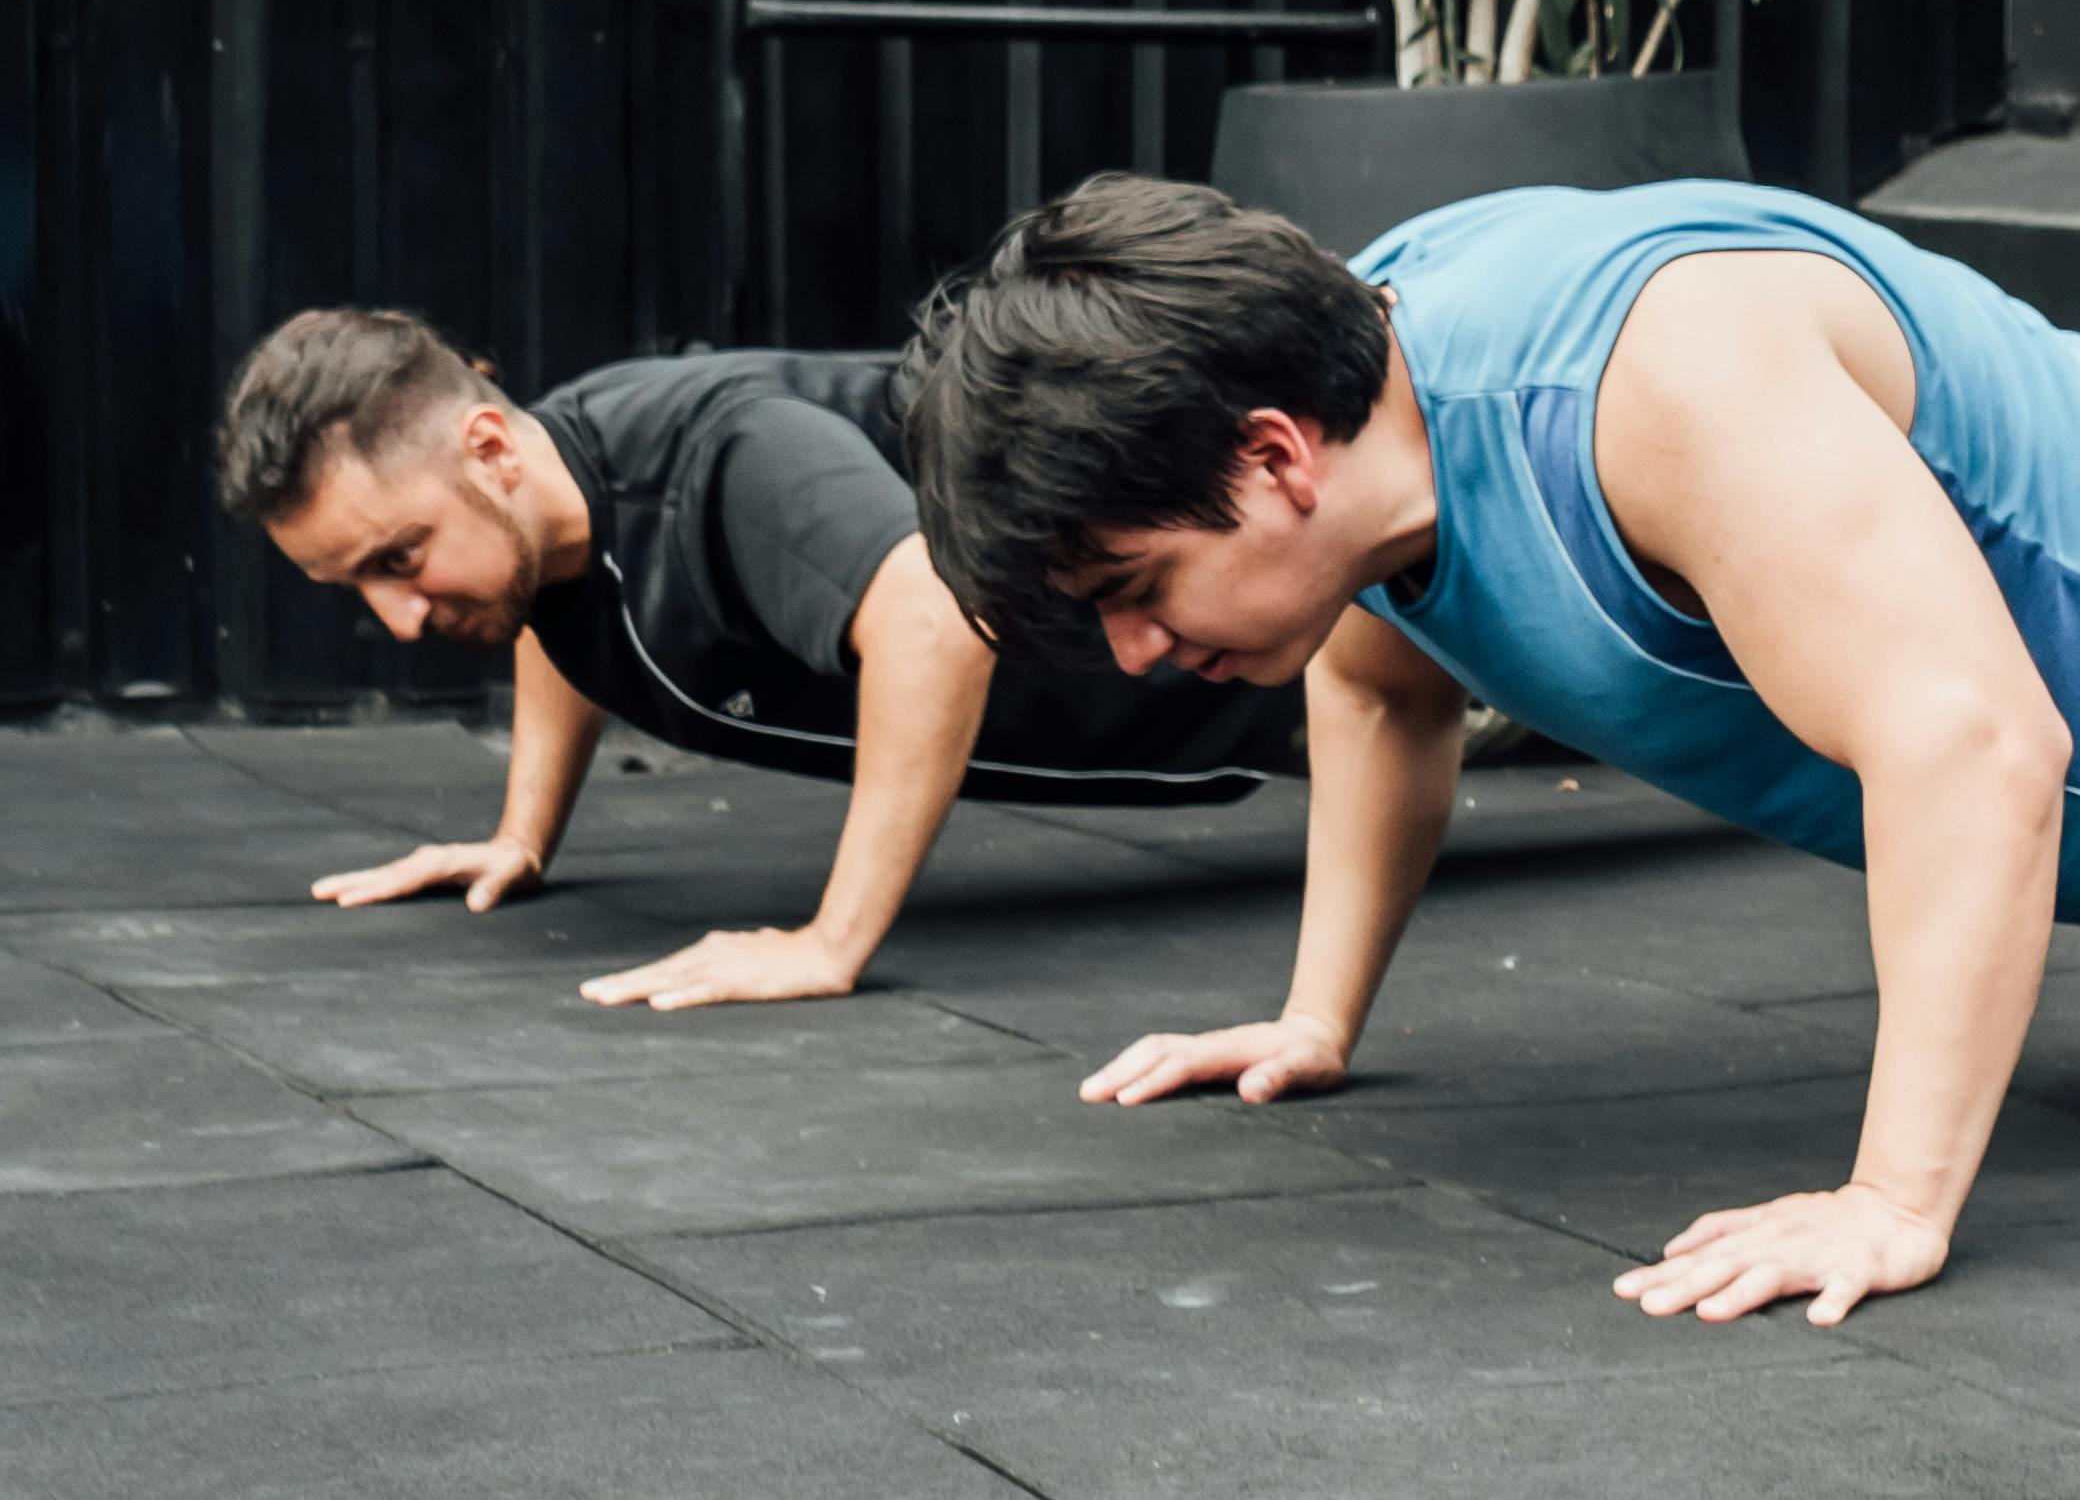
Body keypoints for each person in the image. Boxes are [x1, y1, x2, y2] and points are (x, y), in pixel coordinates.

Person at [894, 167, 2080, 1318]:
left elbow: (1975, 747)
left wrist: (1892, 1202)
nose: (1139, 648)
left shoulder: (1660, 383)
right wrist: (1316, 1018)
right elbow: (1381, 682)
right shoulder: (1374, 383)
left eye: (1139, 585)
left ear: (1276, 456)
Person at [216, 305, 1294, 1006]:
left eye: (399, 558)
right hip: (1217, 697)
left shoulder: (726, 457)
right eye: (354, 583)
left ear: (489, 449)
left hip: (1299, 641)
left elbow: (929, 615)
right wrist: (521, 835)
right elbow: (549, 599)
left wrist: (829, 945)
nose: (397, 619)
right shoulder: (546, 492)